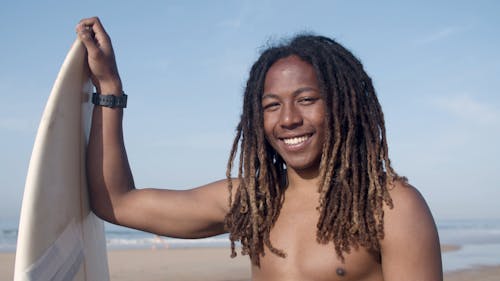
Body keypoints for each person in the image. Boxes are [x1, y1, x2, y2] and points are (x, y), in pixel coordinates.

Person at [76, 17, 443, 281]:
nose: (288, 119)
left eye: (306, 99)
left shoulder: (389, 207)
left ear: (342, 105)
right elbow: (116, 203)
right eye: (271, 106)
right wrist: (108, 88)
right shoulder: (254, 201)